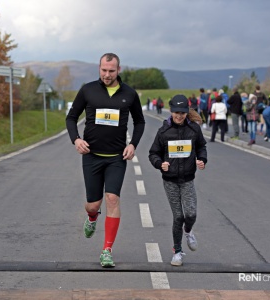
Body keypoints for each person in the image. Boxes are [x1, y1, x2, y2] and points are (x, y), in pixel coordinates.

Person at [65, 53, 145, 268]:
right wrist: (76, 139)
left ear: (119, 70)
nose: (107, 74)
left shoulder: (129, 93)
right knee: (93, 204)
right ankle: (92, 217)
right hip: (91, 156)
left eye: (111, 70)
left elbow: (140, 122)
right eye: (103, 70)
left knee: (112, 199)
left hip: (117, 158)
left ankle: (107, 250)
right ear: (99, 68)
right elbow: (71, 118)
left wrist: (133, 144)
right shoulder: (88, 90)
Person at [148, 95, 207, 266]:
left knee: (191, 214)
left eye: (182, 113)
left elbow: (201, 146)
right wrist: (160, 164)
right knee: (178, 216)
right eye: (176, 113)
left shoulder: (194, 129)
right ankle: (177, 252)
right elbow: (153, 153)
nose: (179, 116)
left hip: (188, 179)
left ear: (187, 112)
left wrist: (202, 159)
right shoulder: (164, 131)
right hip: (170, 180)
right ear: (171, 111)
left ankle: (188, 231)